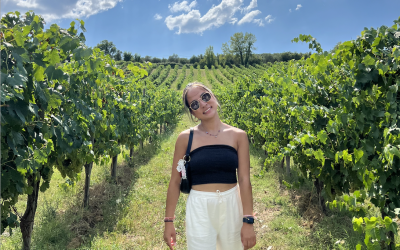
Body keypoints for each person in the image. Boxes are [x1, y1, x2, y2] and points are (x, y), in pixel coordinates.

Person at [163, 82, 256, 250]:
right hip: (199, 207)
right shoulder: (185, 138)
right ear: (193, 112)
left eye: (205, 96)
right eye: (195, 104)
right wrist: (169, 221)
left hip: (232, 205)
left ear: (213, 96)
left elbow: (244, 179)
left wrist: (248, 220)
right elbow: (175, 182)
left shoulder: (239, 136)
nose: (203, 104)